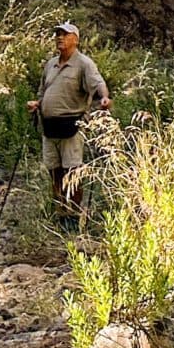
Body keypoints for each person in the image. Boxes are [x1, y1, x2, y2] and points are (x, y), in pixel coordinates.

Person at [40, 21, 112, 217]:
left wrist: (104, 98)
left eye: (65, 34)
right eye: (58, 34)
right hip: (49, 126)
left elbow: (98, 84)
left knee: (72, 172)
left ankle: (75, 213)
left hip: (72, 125)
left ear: (76, 40)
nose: (59, 37)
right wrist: (37, 104)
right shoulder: (51, 64)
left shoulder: (84, 64)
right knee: (54, 170)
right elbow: (43, 92)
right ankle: (60, 210)